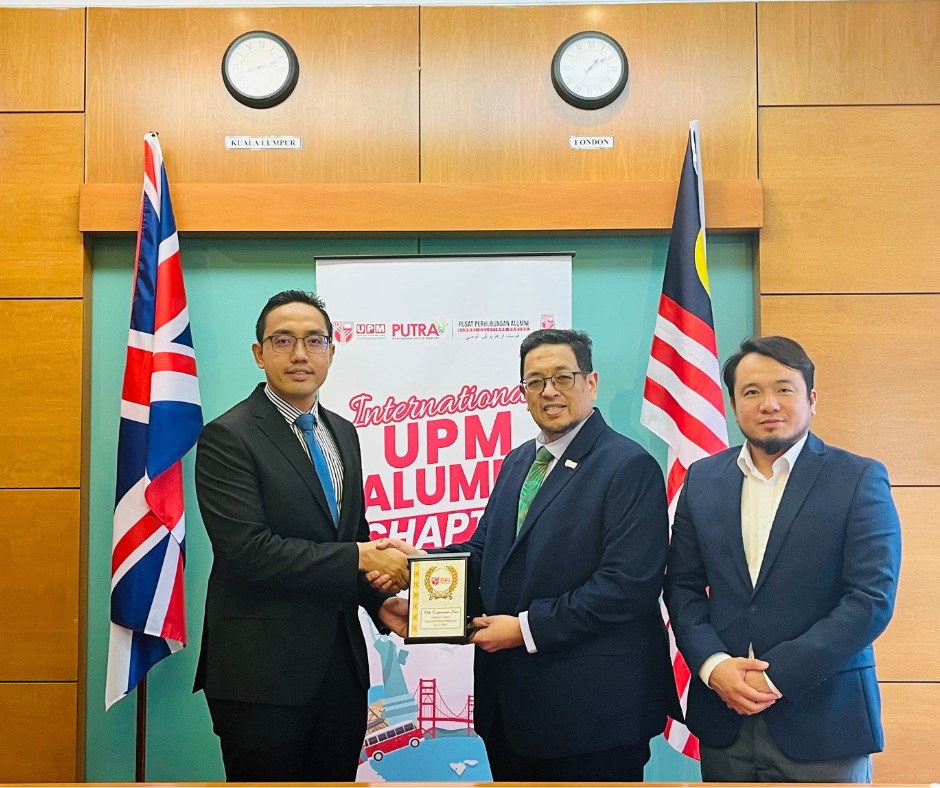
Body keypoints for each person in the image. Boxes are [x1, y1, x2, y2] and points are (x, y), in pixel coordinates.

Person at [375, 328, 680, 782]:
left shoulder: (628, 466)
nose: (549, 391)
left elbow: (626, 587)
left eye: (562, 377)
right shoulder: (519, 461)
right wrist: (417, 573)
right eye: (535, 381)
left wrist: (524, 629)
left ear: (591, 382)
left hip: (592, 720)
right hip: (511, 713)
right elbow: (486, 554)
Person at [193, 289, 410, 782]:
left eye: (314, 341)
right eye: (283, 340)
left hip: (341, 673)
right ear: (259, 353)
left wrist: (378, 603)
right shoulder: (229, 436)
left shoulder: (344, 433)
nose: (299, 354)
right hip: (262, 677)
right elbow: (248, 552)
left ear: (331, 352)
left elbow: (350, 535)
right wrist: (361, 558)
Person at [664, 335, 902, 783]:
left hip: (825, 721)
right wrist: (714, 666)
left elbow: (870, 599)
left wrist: (776, 676)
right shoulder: (703, 479)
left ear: (811, 399)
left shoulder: (858, 478)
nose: (768, 403)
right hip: (725, 720)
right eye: (751, 391)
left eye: (784, 389)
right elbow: (682, 586)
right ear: (734, 404)